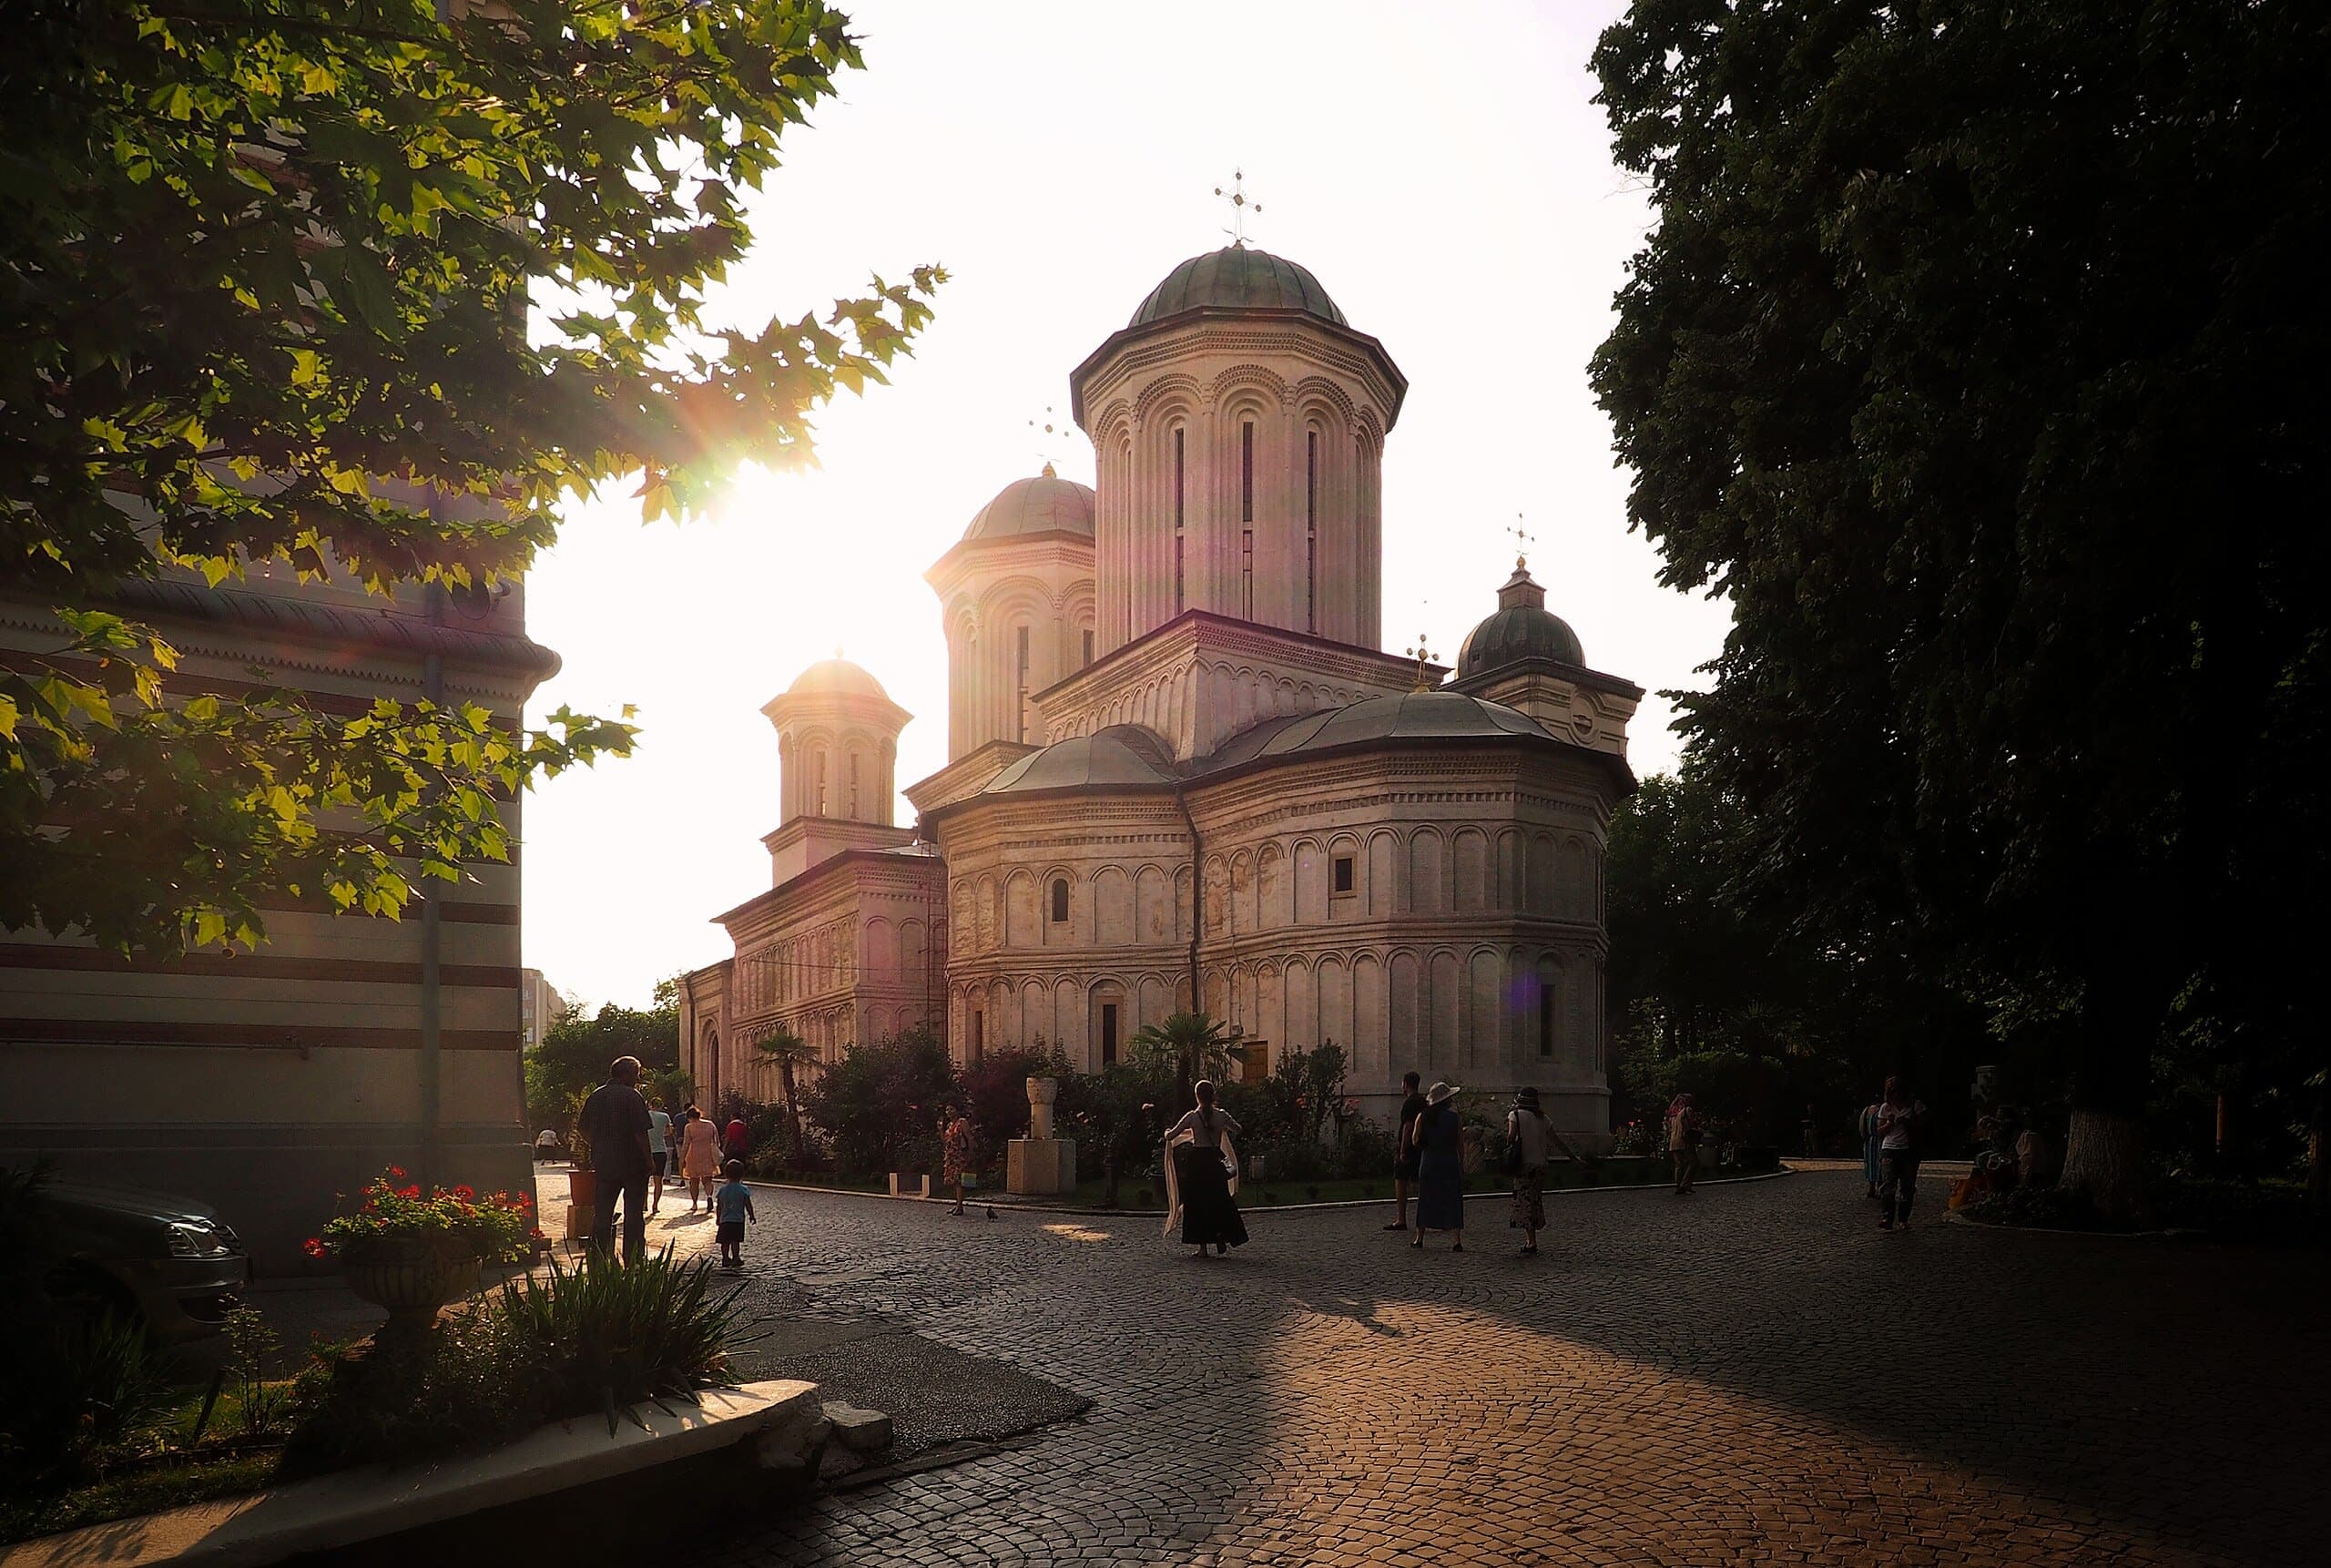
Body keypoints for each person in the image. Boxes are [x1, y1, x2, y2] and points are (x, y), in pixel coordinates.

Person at [576, 1055, 653, 1262]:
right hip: (632, 1164)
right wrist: (649, 1160)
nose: (638, 1079)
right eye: (636, 1074)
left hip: (604, 1162)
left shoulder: (596, 1096)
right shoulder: (632, 1096)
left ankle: (599, 1256)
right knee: (634, 1213)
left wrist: (597, 1144)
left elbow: (582, 1128)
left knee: (602, 1212)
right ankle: (634, 1257)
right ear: (626, 1074)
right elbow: (640, 1132)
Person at [1162, 1080, 1247, 1257]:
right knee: (1220, 1200)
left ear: (1197, 1096)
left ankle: (1203, 1248)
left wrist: (1166, 1131)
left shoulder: (1192, 1117)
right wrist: (1222, 1129)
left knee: (1197, 1204)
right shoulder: (1221, 1115)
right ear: (1213, 1095)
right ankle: (1221, 1236)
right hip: (1215, 1160)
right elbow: (1238, 1129)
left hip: (1198, 1162)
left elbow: (1171, 1136)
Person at [1506, 1086, 1590, 1256]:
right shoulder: (1543, 1118)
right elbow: (1557, 1140)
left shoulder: (1515, 1116)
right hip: (1541, 1165)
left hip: (1524, 1164)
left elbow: (1510, 1137)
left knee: (1525, 1201)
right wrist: (1573, 1158)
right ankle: (1531, 1239)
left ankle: (1532, 1242)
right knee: (1535, 1199)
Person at [1410, 1081, 1467, 1251]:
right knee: (1453, 1200)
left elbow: (1415, 1140)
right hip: (1449, 1161)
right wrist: (1461, 1163)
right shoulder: (1454, 1118)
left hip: (1429, 1161)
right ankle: (1456, 1240)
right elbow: (1460, 1144)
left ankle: (1419, 1238)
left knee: (1426, 1199)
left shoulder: (1422, 1116)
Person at [1876, 1076, 1926, 1231]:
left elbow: (1923, 1127)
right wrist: (1890, 1124)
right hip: (1889, 1149)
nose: (1895, 1096)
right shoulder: (1886, 1108)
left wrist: (1908, 1123)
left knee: (1907, 1186)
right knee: (1888, 1185)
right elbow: (1879, 1132)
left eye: (1898, 1092)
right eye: (1892, 1093)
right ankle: (1887, 1217)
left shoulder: (1915, 1106)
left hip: (1909, 1150)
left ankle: (1903, 1219)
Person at [1384, 1071, 1428, 1232]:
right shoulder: (1424, 1101)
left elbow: (1408, 1126)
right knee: (1420, 1183)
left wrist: (1403, 1150)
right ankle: (1432, 1215)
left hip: (1409, 1148)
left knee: (1401, 1181)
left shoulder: (1410, 1103)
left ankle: (1401, 1219)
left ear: (1405, 1084)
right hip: (1421, 1147)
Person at [678, 1104, 723, 1211]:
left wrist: (682, 1157)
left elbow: (686, 1144)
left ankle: (694, 1203)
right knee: (708, 1180)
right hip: (707, 1154)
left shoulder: (689, 1127)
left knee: (694, 1181)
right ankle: (709, 1196)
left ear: (689, 1117)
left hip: (693, 1155)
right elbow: (717, 1141)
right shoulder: (710, 1124)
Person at [714, 1158, 757, 1268]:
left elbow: (719, 1205)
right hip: (737, 1220)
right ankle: (736, 1257)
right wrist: (751, 1215)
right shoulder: (743, 1189)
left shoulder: (722, 1190)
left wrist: (718, 1218)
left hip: (725, 1219)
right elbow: (747, 1204)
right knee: (735, 1241)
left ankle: (725, 1258)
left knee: (725, 1241)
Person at [941, 1105, 977, 1216]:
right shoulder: (949, 1125)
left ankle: (960, 1206)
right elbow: (946, 1141)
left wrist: (970, 1154)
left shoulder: (962, 1122)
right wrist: (940, 1130)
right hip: (951, 1155)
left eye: (952, 1109)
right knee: (953, 1180)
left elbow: (969, 1138)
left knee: (960, 1180)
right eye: (947, 1110)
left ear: (957, 1110)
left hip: (960, 1154)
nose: (949, 1112)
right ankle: (957, 1203)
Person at [1665, 1093, 1701, 1195]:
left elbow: (1669, 1129)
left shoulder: (1672, 1115)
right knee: (1693, 1162)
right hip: (1685, 1140)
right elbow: (1691, 1125)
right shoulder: (1687, 1110)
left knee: (1679, 1164)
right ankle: (1685, 1184)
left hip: (1674, 1140)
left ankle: (1679, 1185)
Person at [646, 1103, 672, 1213]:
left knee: (644, 1180)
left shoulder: (645, 1115)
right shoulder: (665, 1117)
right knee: (658, 1180)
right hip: (660, 1150)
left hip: (646, 1151)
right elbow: (669, 1132)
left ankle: (644, 1204)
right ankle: (655, 1205)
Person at [1858, 1094, 1884, 1199]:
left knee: (1871, 1164)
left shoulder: (1867, 1110)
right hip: (1877, 1141)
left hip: (1870, 1140)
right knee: (1877, 1164)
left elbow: (1862, 1127)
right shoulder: (1880, 1110)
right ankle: (1877, 1187)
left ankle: (1872, 1188)